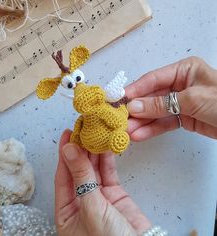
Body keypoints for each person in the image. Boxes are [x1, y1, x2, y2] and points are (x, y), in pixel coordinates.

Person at [54, 57, 217, 236]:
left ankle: (116, 139)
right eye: (72, 85)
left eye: (77, 80)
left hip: (112, 136)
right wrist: (76, 141)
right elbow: (79, 128)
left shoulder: (101, 108)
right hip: (95, 142)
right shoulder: (87, 115)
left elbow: (115, 120)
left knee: (118, 129)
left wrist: (115, 132)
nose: (80, 90)